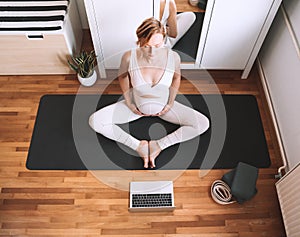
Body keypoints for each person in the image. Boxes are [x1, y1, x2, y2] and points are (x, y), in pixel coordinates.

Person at [89, 17, 209, 169]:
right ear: (139, 41)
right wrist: (129, 103)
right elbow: (123, 77)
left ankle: (159, 145)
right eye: (147, 46)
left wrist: (170, 102)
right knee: (94, 121)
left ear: (164, 40)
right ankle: (139, 146)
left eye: (158, 45)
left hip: (165, 108)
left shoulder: (173, 57)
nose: (152, 52)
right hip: (136, 109)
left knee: (203, 124)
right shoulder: (128, 57)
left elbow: (177, 77)